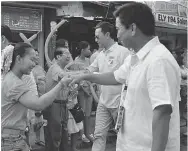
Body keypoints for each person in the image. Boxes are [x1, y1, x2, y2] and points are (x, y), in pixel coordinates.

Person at [70, 2, 181, 151]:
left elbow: (162, 112)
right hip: (130, 144)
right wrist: (86, 76)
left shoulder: (158, 60)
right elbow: (115, 77)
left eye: (118, 29)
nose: (118, 35)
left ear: (133, 28)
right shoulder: (134, 57)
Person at [1, 42, 72, 151]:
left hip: (14, 138)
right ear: (19, 59)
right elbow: (38, 104)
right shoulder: (13, 83)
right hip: (11, 141)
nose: (34, 64)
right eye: (32, 60)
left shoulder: (13, 78)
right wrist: (61, 84)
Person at [84, 21, 129, 151]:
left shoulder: (123, 52)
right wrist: (73, 75)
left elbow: (126, 77)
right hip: (103, 103)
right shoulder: (100, 55)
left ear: (108, 35)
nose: (95, 39)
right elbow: (89, 71)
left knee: (123, 137)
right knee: (98, 135)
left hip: (120, 104)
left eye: (97, 36)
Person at [44, 40, 72, 151]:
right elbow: (64, 77)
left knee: (64, 134)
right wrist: (84, 75)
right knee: (55, 136)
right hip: (54, 105)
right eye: (67, 54)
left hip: (62, 105)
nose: (69, 56)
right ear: (58, 57)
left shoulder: (62, 68)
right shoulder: (55, 68)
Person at [74, 41, 94, 143]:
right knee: (82, 113)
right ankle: (81, 134)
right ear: (82, 50)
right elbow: (77, 79)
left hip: (89, 90)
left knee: (88, 113)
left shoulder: (88, 60)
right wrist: (85, 90)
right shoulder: (76, 62)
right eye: (88, 49)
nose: (89, 51)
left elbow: (91, 74)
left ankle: (88, 132)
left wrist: (91, 88)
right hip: (82, 91)